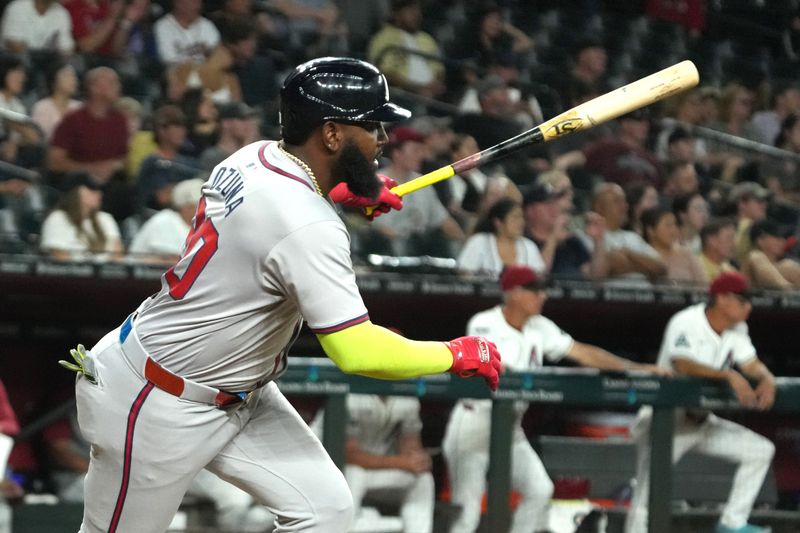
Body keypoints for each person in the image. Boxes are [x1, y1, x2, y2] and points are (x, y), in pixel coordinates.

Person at [60, 57, 501, 533]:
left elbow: (278, 218)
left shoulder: (253, 155)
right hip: (156, 401)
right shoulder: (309, 225)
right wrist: (452, 354)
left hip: (235, 393)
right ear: (331, 134)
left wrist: (341, 190)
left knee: (325, 510)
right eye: (371, 125)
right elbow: (357, 351)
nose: (382, 138)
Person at [443, 265, 666, 533]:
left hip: (510, 428)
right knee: (466, 513)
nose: (543, 295)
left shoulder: (539, 326)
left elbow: (582, 353)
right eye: (534, 290)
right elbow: (496, 367)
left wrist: (636, 368)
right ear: (513, 292)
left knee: (539, 489)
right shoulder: (484, 322)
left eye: (543, 290)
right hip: (473, 424)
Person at [625, 272, 776, 533]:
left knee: (760, 450)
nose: (748, 306)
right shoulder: (687, 321)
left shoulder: (737, 329)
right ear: (722, 299)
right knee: (646, 496)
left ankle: (732, 523)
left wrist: (767, 377)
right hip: (666, 422)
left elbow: (750, 363)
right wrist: (727, 374)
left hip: (702, 423)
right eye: (743, 300)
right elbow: (681, 363)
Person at [313, 393, 435, 533]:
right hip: (326, 470)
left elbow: (410, 445)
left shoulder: (406, 394)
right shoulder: (354, 395)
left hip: (373, 469)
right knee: (354, 473)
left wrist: (419, 460)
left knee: (422, 479)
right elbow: (347, 454)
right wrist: (402, 462)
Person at [39, 171, 123, 261]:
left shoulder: (106, 219)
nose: (98, 193)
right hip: (72, 274)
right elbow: (60, 261)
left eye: (99, 189)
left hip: (107, 274)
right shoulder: (57, 219)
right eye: (92, 189)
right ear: (75, 192)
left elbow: (117, 258)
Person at [456, 197, 544, 276]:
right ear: (498, 223)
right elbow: (464, 273)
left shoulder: (529, 246)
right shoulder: (479, 241)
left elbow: (539, 276)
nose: (521, 222)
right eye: (515, 217)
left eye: (522, 218)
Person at [129, 178, 203, 263]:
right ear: (186, 207)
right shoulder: (165, 220)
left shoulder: (198, 227)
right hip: (140, 274)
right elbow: (170, 260)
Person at [640, 206, 706, 286]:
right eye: (668, 225)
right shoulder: (642, 255)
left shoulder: (686, 254)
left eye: (675, 225)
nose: (674, 229)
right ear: (651, 230)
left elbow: (703, 284)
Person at [741, 218, 800, 289]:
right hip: (746, 297)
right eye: (777, 237)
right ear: (760, 240)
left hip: (783, 294)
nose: (783, 241)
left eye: (783, 238)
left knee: (787, 265)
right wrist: (789, 289)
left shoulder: (784, 266)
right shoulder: (753, 257)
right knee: (756, 256)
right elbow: (760, 266)